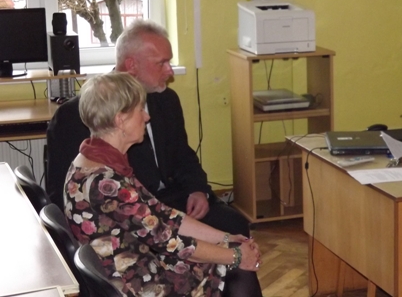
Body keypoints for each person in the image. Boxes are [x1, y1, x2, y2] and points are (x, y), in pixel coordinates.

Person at [47, 19, 262, 296]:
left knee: (234, 258)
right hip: (137, 281)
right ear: (120, 119)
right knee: (237, 272)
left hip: (141, 255)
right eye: (141, 111)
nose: (147, 116)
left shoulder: (98, 159)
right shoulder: (107, 182)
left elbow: (164, 214)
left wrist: (228, 239)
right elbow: (170, 241)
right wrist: (235, 255)